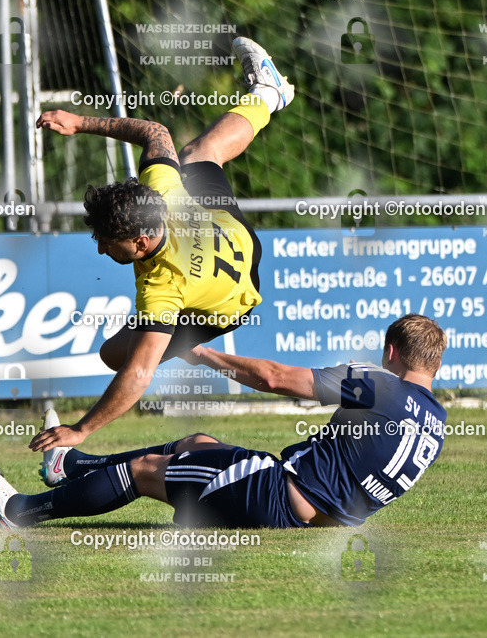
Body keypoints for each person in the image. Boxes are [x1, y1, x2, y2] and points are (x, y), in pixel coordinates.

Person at [29, 37, 294, 453]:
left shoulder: (161, 290)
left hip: (234, 299)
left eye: (107, 243)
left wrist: (80, 430)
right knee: (196, 154)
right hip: (230, 231)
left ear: (139, 241)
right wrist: (80, 122)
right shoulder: (162, 191)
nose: (101, 251)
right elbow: (154, 130)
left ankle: (198, 350)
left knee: (118, 357)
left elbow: (137, 377)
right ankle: (268, 94)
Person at [0, 314, 447, 529]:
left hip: (276, 496)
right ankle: (73, 466)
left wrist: (200, 352)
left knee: (143, 471)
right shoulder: (436, 424)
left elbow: (276, 378)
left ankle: (20, 511)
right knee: (197, 443)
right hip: (325, 519)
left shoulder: (380, 384)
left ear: (390, 353)